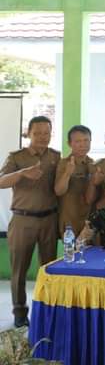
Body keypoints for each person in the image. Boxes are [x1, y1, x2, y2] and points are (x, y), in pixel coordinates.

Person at [0, 116, 60, 328]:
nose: (43, 137)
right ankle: (19, 313)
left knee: (49, 269)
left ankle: (47, 311)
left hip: (49, 219)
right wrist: (22, 173)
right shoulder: (17, 157)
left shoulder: (55, 156)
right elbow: (1, 181)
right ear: (29, 133)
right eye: (38, 133)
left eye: (46, 133)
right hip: (22, 219)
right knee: (19, 270)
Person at [55, 125, 94, 236]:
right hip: (69, 220)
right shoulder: (64, 163)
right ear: (69, 143)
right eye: (78, 141)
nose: (83, 145)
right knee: (71, 247)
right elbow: (59, 191)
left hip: (88, 219)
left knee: (90, 247)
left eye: (86, 140)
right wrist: (67, 173)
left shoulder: (92, 163)